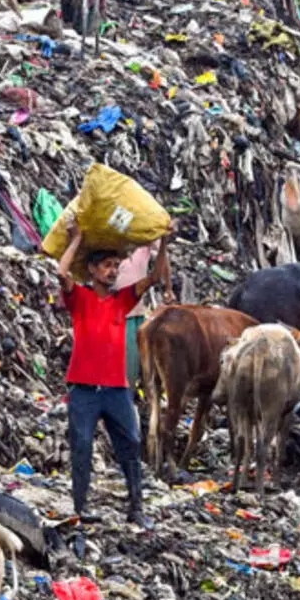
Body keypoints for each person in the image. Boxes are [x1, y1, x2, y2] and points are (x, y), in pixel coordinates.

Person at [57, 219, 170, 526]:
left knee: (131, 446)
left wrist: (163, 242)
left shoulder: (123, 301)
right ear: (92, 270)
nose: (113, 271)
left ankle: (136, 508)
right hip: (83, 391)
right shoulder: (80, 298)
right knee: (81, 448)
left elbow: (156, 276)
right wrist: (76, 240)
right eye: (107, 265)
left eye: (116, 266)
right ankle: (81, 508)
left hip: (117, 389)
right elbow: (61, 273)